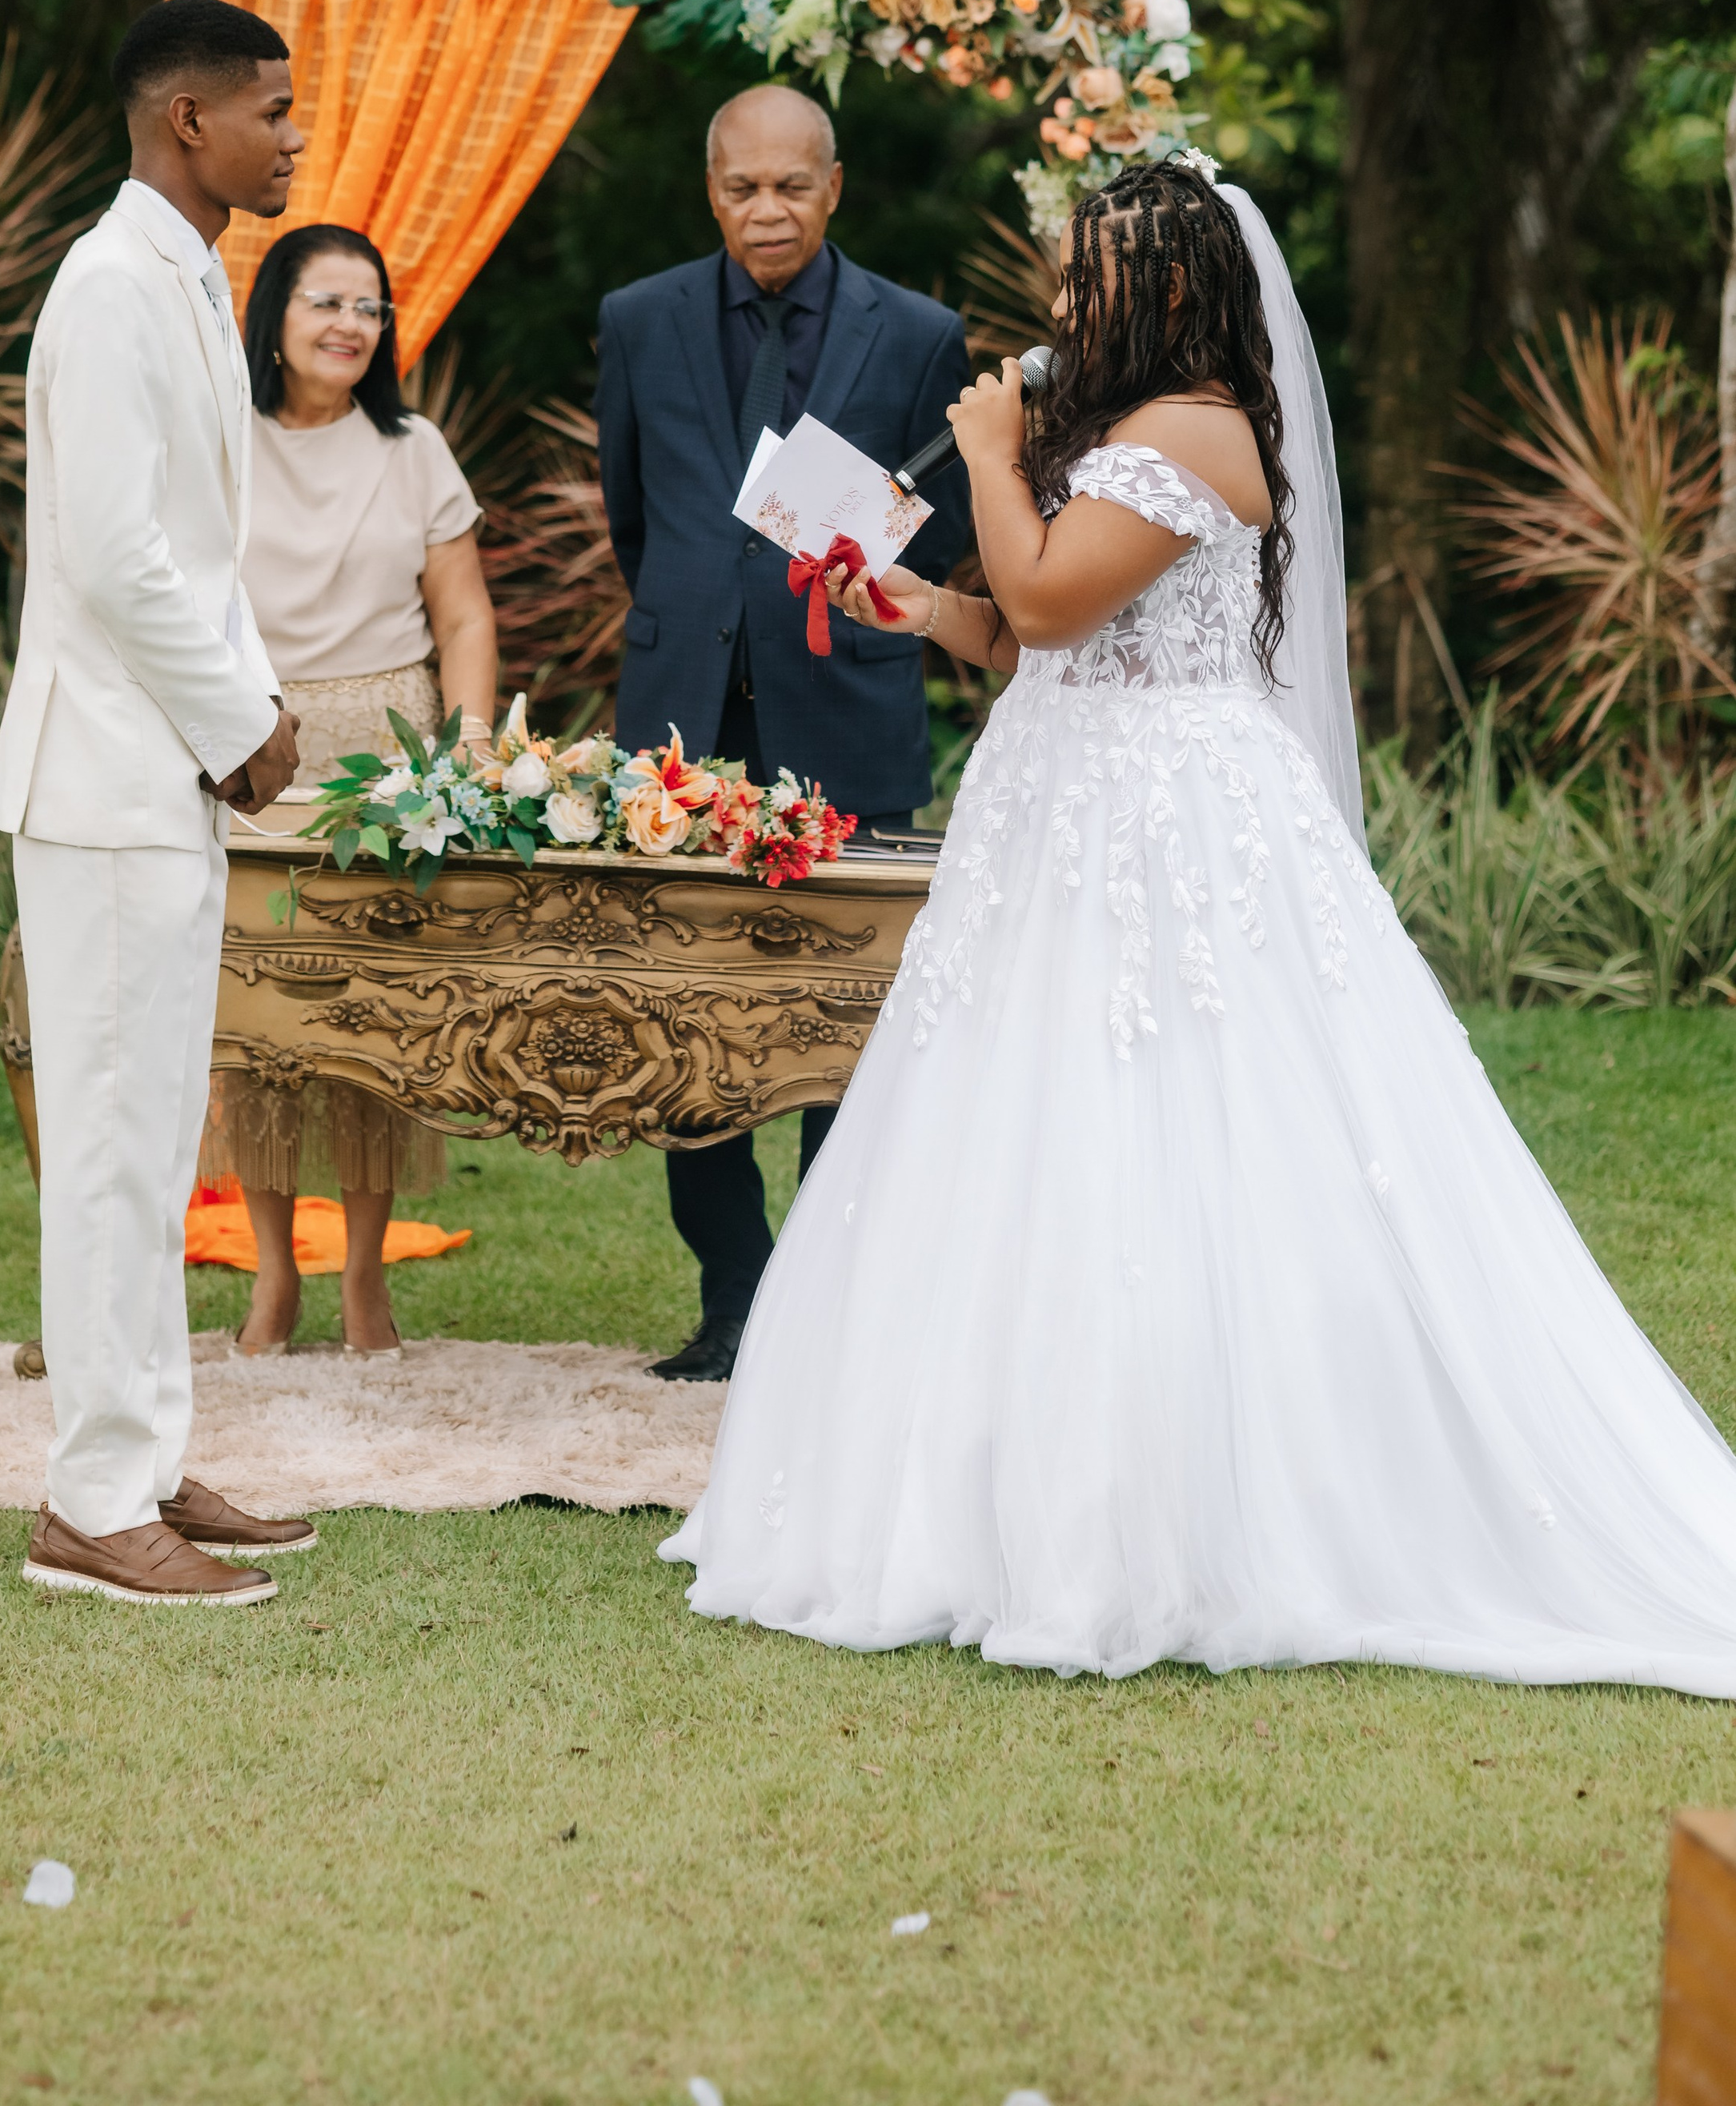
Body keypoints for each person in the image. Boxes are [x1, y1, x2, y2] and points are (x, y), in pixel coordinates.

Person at [662, 156, 1736, 1695]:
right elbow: (1029, 635)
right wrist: (919, 608)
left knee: (1183, 1116)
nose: (1063, 300)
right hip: (1068, 802)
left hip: (1167, 826)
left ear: (1172, 288)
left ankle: (1203, 1502)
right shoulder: (1126, 430)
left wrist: (983, 453)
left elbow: (1041, 597)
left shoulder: (1196, 428)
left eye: (1092, 274)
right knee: (1027, 1124)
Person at [0, 0, 319, 1608]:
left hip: (153, 774)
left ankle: (143, 1453)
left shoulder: (184, 271)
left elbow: (190, 545)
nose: (293, 133)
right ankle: (90, 1506)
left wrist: (241, 716)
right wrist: (242, 722)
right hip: (111, 772)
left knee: (150, 1140)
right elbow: (116, 558)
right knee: (115, 1149)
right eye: (272, 107)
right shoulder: (112, 285)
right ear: (188, 120)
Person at [595, 83, 972, 1383]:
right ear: (712, 190)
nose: (769, 209)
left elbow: (940, 526)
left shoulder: (919, 334)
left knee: (837, 1015)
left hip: (848, 713)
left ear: (835, 185)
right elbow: (634, 519)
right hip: (684, 727)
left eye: (792, 186)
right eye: (744, 187)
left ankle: (827, 1304)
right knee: (689, 1013)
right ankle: (733, 1299)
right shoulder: (638, 321)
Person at [223, 219, 498, 1358]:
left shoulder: (413, 446)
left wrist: (471, 747)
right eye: (326, 302)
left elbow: (465, 614)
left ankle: (367, 1284)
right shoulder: (217, 439)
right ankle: (276, 1279)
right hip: (249, 755)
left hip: (394, 765)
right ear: (276, 320)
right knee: (259, 1035)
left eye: (369, 307)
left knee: (377, 1033)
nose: (350, 324)